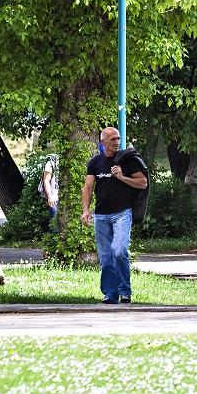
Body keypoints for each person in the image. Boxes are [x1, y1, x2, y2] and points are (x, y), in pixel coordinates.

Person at [79, 127, 148, 304]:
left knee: (119, 250)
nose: (117, 142)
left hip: (122, 214)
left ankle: (125, 291)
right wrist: (86, 210)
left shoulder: (127, 160)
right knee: (106, 257)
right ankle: (110, 293)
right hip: (101, 216)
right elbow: (87, 188)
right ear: (103, 142)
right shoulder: (95, 163)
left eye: (118, 139)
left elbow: (142, 183)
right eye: (113, 139)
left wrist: (122, 177)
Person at [38, 154, 60, 223]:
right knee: (55, 226)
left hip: (68, 199)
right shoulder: (52, 161)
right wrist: (50, 196)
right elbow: (46, 180)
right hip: (55, 199)